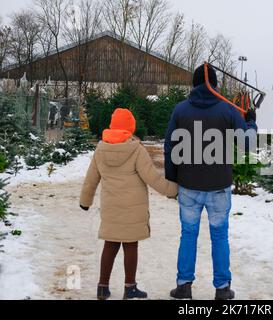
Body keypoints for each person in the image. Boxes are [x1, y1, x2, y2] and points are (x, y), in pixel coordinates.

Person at [164, 64, 257, 300]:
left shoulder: (180, 110)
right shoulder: (228, 110)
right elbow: (247, 144)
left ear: (194, 84)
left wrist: (172, 179)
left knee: (188, 235)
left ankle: (184, 286)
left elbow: (170, 147)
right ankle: (222, 288)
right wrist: (251, 123)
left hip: (188, 185)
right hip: (219, 187)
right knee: (219, 236)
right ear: (215, 84)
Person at [80, 108, 178, 300]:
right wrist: (173, 190)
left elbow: (91, 178)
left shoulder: (101, 149)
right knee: (130, 246)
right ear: (130, 127)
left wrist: (85, 201)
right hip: (133, 209)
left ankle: (102, 286)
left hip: (110, 208)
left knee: (110, 244)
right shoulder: (136, 149)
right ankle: (130, 287)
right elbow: (152, 178)